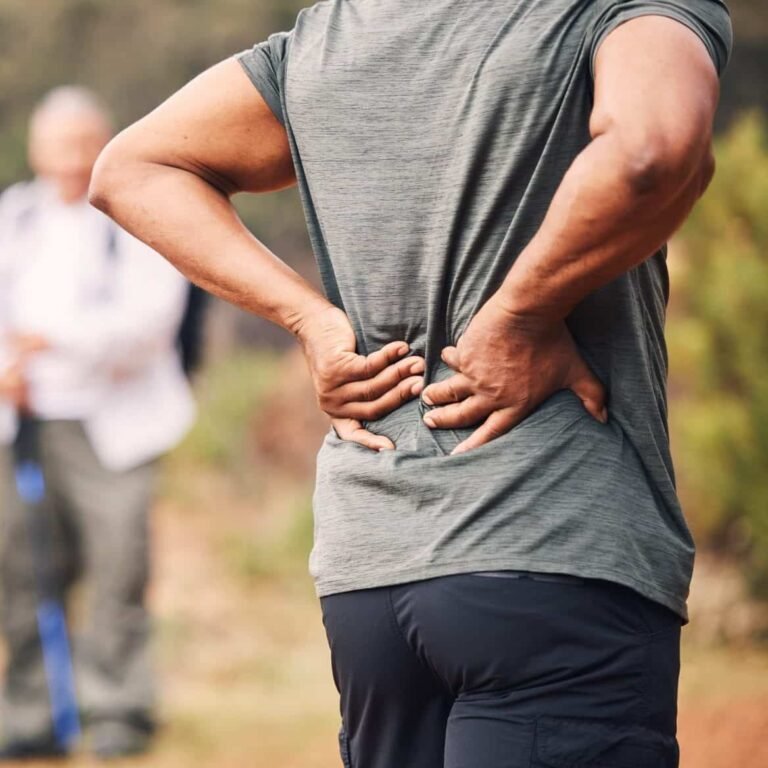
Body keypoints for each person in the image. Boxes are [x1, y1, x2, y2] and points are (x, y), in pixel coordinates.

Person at [89, 0, 733, 765]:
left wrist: (307, 320)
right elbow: (654, 150)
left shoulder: (333, 34)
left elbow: (132, 168)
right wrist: (523, 316)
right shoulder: (610, 13)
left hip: (371, 582)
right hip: (550, 537)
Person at [0, 87, 196, 759]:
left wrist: (50, 339)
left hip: (115, 429)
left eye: (82, 141)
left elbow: (148, 324)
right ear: (35, 147)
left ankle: (119, 708)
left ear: (106, 139)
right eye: (56, 143)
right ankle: (35, 709)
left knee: (119, 569)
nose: (69, 157)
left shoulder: (134, 215)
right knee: (23, 571)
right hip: (23, 426)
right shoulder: (13, 217)